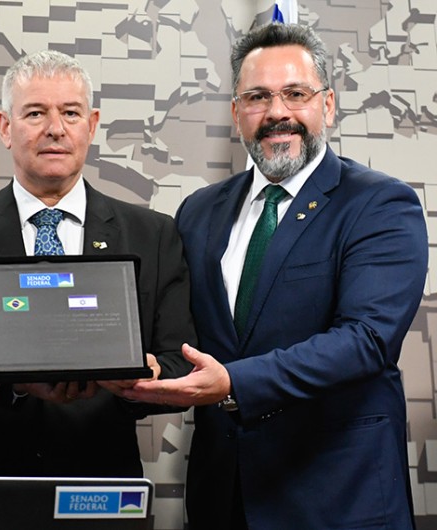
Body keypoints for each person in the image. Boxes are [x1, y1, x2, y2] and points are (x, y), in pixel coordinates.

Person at [120, 23, 428, 529]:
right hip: (224, 499)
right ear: (237, 113)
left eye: (295, 94)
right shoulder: (198, 213)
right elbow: (180, 337)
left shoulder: (379, 204)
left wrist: (232, 384)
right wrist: (128, 372)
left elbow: (367, 339)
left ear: (327, 106)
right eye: (258, 96)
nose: (277, 112)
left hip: (338, 499)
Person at [0, 49, 197, 478]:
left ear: (92, 125)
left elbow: (178, 359)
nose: (55, 129)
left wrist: (142, 379)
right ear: (6, 128)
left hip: (100, 478)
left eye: (71, 113)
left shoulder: (152, 234)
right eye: (35, 113)